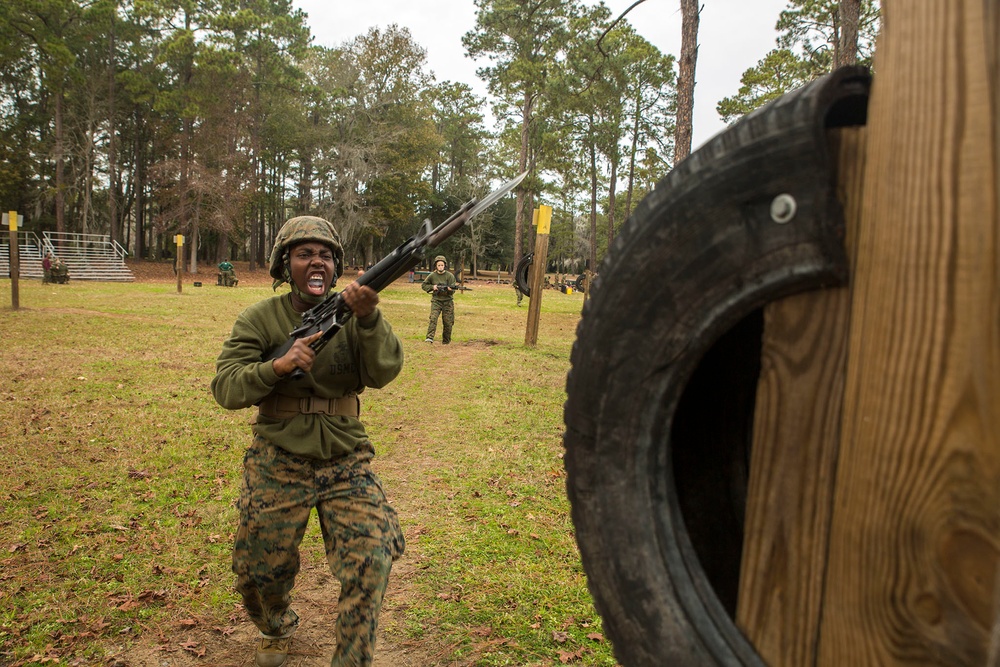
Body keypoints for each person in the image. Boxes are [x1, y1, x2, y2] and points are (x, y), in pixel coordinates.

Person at [211, 216, 405, 667]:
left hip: (345, 457)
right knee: (259, 573)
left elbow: (385, 372)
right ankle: (275, 624)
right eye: (304, 254)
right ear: (285, 264)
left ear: (336, 268)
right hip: (278, 458)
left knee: (371, 555)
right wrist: (274, 368)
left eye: (326, 255)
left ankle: (352, 659)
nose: (316, 261)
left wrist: (370, 317)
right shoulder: (260, 318)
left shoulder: (356, 315)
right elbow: (226, 387)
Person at [421, 255, 457, 344]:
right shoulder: (432, 276)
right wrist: (433, 287)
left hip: (447, 302)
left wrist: (450, 290)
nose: (440, 267)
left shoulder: (450, 276)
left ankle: (446, 340)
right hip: (436, 301)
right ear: (436, 266)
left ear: (445, 265)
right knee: (433, 319)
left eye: (442, 265)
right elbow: (424, 285)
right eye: (439, 265)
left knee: (448, 322)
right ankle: (429, 338)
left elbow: (453, 290)